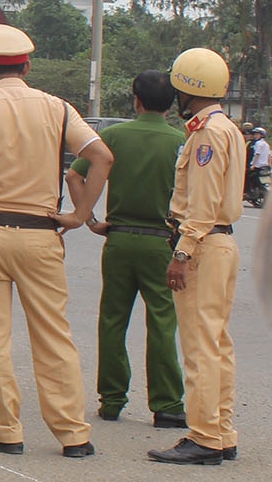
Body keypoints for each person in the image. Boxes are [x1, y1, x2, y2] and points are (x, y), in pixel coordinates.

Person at [0, 23, 110, 459]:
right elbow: (101, 157)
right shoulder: (57, 108)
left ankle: (6, 431)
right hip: (41, 233)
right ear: (28, 65)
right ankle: (73, 433)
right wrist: (79, 215)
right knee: (53, 333)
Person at [66, 70, 185, 428]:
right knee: (162, 321)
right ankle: (167, 405)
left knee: (113, 319)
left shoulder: (114, 136)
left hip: (118, 239)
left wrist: (88, 218)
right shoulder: (180, 141)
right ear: (173, 104)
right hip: (160, 242)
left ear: (136, 100)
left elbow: (75, 174)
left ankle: (113, 399)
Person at [149, 47, 245, 465]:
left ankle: (204, 436)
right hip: (221, 242)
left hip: (203, 245)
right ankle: (221, 430)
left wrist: (182, 253)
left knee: (200, 346)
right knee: (217, 343)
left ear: (188, 89)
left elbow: (202, 204)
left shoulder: (206, 134)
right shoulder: (228, 128)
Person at [249, 126, 270, 205]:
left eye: (257, 134)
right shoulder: (266, 144)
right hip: (264, 167)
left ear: (262, 135)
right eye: (254, 134)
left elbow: (257, 154)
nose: (255, 136)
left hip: (257, 166)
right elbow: (269, 156)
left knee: (249, 177)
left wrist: (253, 165)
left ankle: (250, 192)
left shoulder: (258, 143)